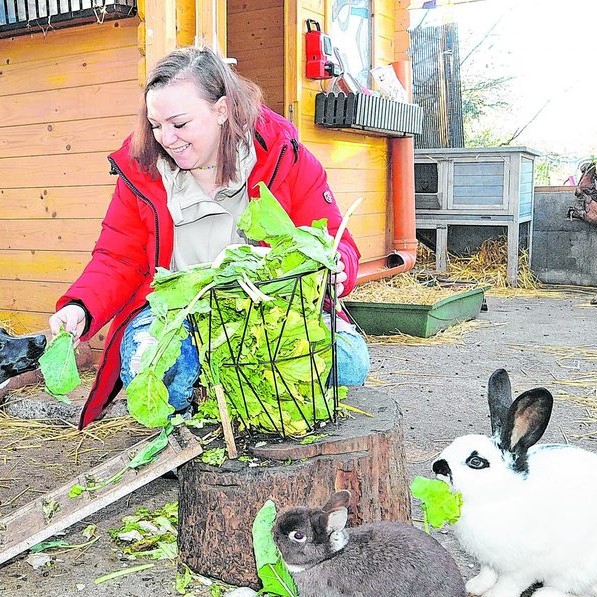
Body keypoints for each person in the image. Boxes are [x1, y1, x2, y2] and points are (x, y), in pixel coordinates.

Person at [49, 47, 370, 429]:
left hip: (268, 308)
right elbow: (117, 257)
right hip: (178, 312)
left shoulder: (286, 157)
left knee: (349, 361)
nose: (166, 138)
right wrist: (81, 307)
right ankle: (185, 434)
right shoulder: (142, 174)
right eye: (155, 125)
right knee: (151, 361)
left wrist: (336, 269)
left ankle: (240, 404)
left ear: (221, 110)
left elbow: (335, 240)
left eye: (179, 124)